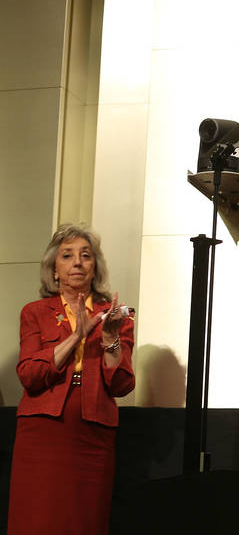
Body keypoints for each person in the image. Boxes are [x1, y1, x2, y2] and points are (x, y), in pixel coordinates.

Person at [8, 224, 135, 535]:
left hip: (93, 434)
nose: (77, 262)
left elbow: (121, 385)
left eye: (85, 255)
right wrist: (77, 336)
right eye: (67, 255)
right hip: (43, 432)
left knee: (85, 519)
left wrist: (110, 339)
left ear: (95, 268)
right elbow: (29, 374)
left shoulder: (115, 316)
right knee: (37, 518)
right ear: (54, 270)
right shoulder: (35, 312)